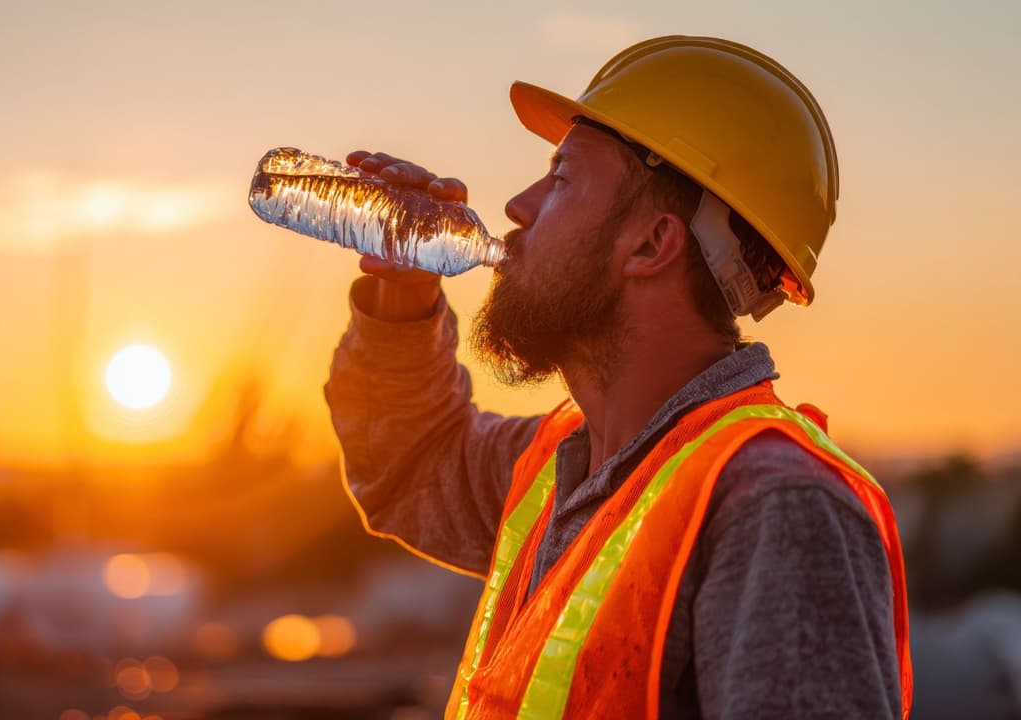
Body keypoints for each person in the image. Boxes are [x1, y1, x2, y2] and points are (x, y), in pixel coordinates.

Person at [323, 36, 912, 719]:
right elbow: (410, 468)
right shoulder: (574, 465)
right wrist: (403, 296)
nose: (518, 205)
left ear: (652, 244)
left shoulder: (775, 506)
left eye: (563, 177)